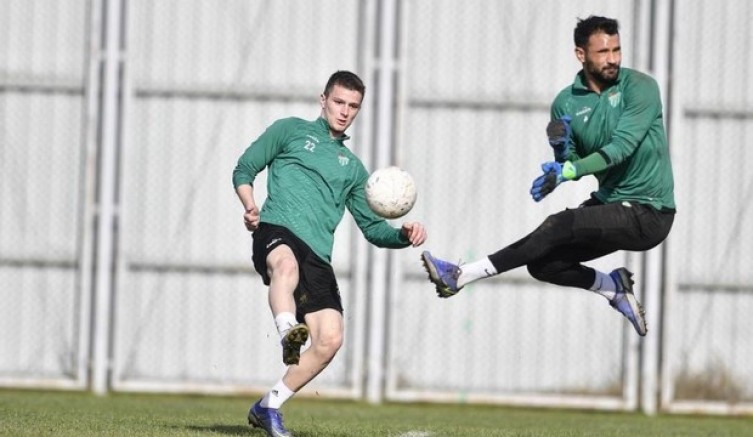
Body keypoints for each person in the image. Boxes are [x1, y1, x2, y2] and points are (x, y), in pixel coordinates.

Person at [421, 15, 675, 337]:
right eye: (603, 52)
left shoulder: (640, 87)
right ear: (581, 54)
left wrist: (570, 170)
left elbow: (620, 148)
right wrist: (561, 154)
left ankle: (461, 275)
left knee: (557, 225)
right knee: (544, 265)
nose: (612, 59)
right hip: (611, 202)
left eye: (616, 50)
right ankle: (613, 287)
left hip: (650, 212)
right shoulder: (565, 103)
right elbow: (573, 161)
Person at [233, 70, 427, 437]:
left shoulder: (353, 169)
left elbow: (373, 229)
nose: (344, 111)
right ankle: (288, 332)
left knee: (330, 339)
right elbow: (244, 168)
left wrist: (403, 234)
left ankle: (268, 406)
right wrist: (249, 205)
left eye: (353, 106)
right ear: (323, 100)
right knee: (285, 266)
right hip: (275, 230)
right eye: (339, 102)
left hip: (317, 256)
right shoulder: (290, 130)